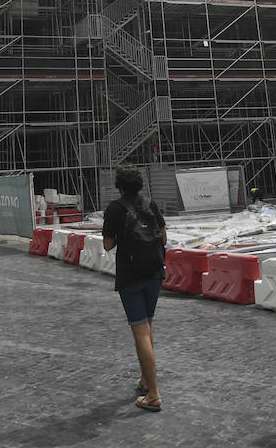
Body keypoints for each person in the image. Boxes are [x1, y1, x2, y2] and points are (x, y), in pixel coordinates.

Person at [101, 167, 167, 413]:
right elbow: (164, 237)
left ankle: (154, 395)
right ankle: (145, 380)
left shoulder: (115, 209)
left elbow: (108, 245)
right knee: (148, 327)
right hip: (155, 273)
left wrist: (123, 236)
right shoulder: (151, 204)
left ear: (119, 186)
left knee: (140, 332)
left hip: (131, 276)